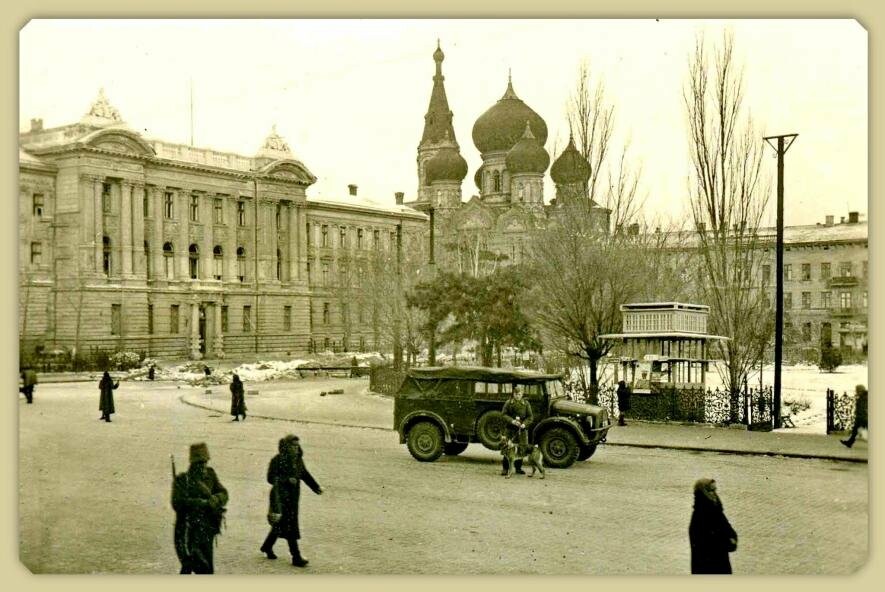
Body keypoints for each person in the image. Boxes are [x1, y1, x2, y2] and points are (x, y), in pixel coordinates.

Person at [260, 434, 323, 567]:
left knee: (280, 525)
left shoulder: (298, 460)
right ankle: (296, 556)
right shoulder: (277, 460)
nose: (296, 448)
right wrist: (287, 480)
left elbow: (305, 475)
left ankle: (267, 546)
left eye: (297, 445)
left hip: (293, 498)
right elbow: (270, 478)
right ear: (287, 446)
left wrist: (316, 487)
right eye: (293, 445)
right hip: (280, 497)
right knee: (290, 526)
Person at [172, 443, 228, 574]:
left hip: (207, 530)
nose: (203, 465)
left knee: (206, 569)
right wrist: (201, 503)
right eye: (199, 462)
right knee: (190, 564)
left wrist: (217, 499)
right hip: (188, 530)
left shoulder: (211, 474)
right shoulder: (183, 479)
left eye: (205, 462)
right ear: (193, 463)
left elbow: (224, 493)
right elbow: (176, 503)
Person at [689, 478, 737, 574]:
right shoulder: (699, 517)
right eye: (712, 490)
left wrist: (733, 537)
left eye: (715, 490)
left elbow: (727, 528)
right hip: (708, 567)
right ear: (704, 492)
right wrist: (727, 542)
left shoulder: (716, 510)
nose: (714, 493)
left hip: (720, 563)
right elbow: (708, 543)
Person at [501, 384, 533, 476]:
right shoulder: (508, 403)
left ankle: (518, 468)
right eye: (516, 394)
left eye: (519, 394)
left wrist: (524, 424)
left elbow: (530, 417)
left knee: (521, 449)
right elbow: (503, 414)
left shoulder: (526, 404)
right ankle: (505, 468)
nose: (517, 396)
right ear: (513, 394)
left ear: (522, 394)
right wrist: (512, 421)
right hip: (510, 430)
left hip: (521, 431)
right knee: (507, 449)